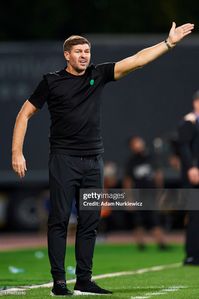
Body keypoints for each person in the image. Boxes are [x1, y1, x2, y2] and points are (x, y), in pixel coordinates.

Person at [12, 22, 194, 296]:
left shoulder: (97, 75)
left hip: (93, 161)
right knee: (59, 220)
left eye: (87, 50)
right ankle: (59, 283)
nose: (85, 55)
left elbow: (136, 61)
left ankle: (84, 280)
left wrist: (168, 44)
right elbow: (23, 114)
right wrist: (17, 152)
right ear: (67, 55)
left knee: (90, 221)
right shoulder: (52, 81)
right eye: (79, 51)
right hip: (64, 160)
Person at [123, 136, 166, 250]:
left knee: (154, 219)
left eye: (139, 142)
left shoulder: (151, 158)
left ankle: (161, 243)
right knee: (138, 221)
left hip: (151, 194)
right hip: (138, 195)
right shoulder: (131, 162)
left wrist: (160, 192)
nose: (138, 145)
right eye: (135, 144)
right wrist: (129, 198)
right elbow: (127, 181)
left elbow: (158, 175)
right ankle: (141, 245)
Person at [178, 90, 199, 265]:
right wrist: (192, 168)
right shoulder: (189, 122)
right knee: (194, 215)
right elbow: (183, 147)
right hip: (193, 177)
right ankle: (192, 255)